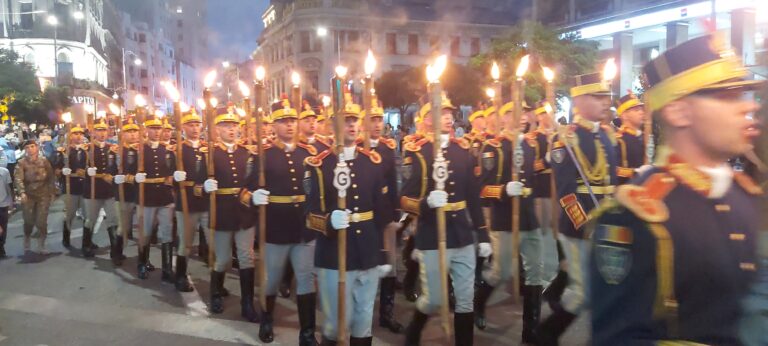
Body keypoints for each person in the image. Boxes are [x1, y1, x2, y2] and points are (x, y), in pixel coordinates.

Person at [590, 34, 764, 345]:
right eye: (727, 96)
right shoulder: (637, 215)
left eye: (744, 94)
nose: (746, 107)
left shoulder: (746, 197)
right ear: (678, 112)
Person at [537, 66, 619, 345]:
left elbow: (613, 182)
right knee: (583, 291)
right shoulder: (566, 139)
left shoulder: (608, 136)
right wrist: (585, 224)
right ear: (579, 102)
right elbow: (566, 192)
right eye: (598, 97)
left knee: (607, 287)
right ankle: (546, 334)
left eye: (606, 96)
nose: (605, 101)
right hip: (578, 227)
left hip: (608, 223)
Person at [401, 97, 491, 346]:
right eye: (442, 113)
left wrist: (482, 235)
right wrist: (425, 204)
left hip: (462, 234)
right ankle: (413, 334)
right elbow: (404, 199)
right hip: (432, 236)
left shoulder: (462, 149)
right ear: (427, 119)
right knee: (434, 300)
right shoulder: (417, 152)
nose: (449, 116)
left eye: (451, 112)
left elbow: (473, 196)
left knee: (464, 299)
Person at [305, 96, 390, 345]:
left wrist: (383, 253)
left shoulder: (372, 163)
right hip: (334, 256)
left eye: (354, 120)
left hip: (368, 252)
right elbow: (309, 217)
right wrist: (329, 220)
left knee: (363, 321)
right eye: (345, 120)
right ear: (333, 125)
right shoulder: (318, 165)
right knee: (336, 324)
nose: (352, 125)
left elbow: (381, 213)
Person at [242, 98, 319, 342]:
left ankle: (307, 333)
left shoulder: (309, 154)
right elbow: (242, 192)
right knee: (272, 279)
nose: (289, 125)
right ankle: (266, 320)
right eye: (283, 122)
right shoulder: (262, 156)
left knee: (306, 279)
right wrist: (254, 197)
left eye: (292, 121)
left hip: (303, 228)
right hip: (275, 228)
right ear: (273, 125)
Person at [474, 102, 544, 343]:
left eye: (524, 112)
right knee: (500, 272)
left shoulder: (529, 144)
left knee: (535, 272)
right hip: (504, 219)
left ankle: (530, 330)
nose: (522, 117)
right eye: (516, 113)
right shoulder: (494, 147)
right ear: (503, 118)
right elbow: (482, 188)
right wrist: (503, 189)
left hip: (528, 217)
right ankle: (478, 303)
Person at [200, 111, 260, 323]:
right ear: (217, 130)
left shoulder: (247, 153)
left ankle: (247, 303)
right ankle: (215, 294)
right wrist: (205, 188)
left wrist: (253, 196)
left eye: (234, 125)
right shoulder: (210, 155)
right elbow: (197, 188)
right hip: (222, 212)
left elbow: (253, 182)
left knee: (246, 257)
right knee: (223, 259)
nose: (231, 129)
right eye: (226, 126)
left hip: (244, 213)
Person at [360, 97, 404, 334]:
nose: (377, 124)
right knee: (365, 263)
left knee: (389, 264)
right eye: (372, 120)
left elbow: (393, 182)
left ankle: (387, 313)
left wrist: (396, 211)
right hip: (364, 214)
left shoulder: (387, 148)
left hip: (385, 212)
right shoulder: (358, 147)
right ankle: (362, 309)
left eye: (379, 119)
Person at [169, 109, 209, 292]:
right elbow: (167, 177)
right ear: (183, 127)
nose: (195, 128)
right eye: (191, 125)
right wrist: (175, 177)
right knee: (185, 242)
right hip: (186, 201)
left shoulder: (208, 148)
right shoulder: (177, 149)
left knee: (213, 240)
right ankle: (180, 276)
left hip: (207, 201)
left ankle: (216, 282)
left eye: (197, 125)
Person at [134, 116, 175, 280]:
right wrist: (135, 177)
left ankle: (167, 269)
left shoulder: (168, 150)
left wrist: (173, 177)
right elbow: (126, 171)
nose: (157, 132)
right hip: (146, 197)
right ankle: (142, 263)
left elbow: (173, 169)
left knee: (166, 232)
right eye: (153, 128)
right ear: (146, 130)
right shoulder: (139, 150)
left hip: (165, 197)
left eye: (159, 129)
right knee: (145, 232)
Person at [82, 118, 119, 259]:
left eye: (104, 130)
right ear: (93, 132)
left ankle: (115, 251)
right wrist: (87, 172)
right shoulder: (87, 149)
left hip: (109, 189)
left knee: (113, 219)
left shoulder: (112, 148)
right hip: (92, 188)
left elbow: (117, 166)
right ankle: (86, 245)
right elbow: (78, 167)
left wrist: (115, 176)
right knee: (90, 219)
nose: (102, 133)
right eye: (98, 130)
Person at [14, 140, 55, 254]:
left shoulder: (44, 161)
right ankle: (27, 236)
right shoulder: (22, 163)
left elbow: (51, 177)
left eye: (32, 146)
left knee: (41, 221)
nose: (30, 149)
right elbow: (18, 178)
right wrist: (21, 192)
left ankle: (41, 244)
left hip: (43, 194)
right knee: (28, 220)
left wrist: (52, 192)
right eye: (27, 147)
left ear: (37, 148)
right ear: (25, 150)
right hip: (29, 194)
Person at [112, 119, 141, 266]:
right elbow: (108, 173)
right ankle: (117, 253)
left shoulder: (144, 150)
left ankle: (144, 259)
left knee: (144, 227)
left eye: (135, 131)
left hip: (141, 193)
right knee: (124, 226)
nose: (133, 135)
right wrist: (115, 178)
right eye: (129, 132)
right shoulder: (116, 151)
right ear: (122, 134)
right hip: (123, 193)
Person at [53, 124, 87, 249]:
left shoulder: (87, 150)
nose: (78, 136)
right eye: (75, 134)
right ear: (70, 136)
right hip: (70, 187)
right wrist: (62, 171)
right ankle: (66, 238)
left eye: (81, 134)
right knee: (70, 215)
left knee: (87, 215)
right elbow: (56, 170)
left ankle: (87, 241)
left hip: (85, 187)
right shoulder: (63, 151)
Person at [614, 92, 647, 185]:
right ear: (624, 115)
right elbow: (614, 169)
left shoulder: (644, 136)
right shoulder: (619, 140)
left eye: (641, 109)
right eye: (636, 110)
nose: (641, 112)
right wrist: (636, 172)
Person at [0, 155, 12, 258]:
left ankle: (1, 246)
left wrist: (11, 202)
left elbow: (8, 187)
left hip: (3, 203)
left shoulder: (4, 172)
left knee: (3, 227)